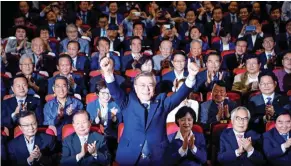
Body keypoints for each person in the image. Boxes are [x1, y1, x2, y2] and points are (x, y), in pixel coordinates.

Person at [100, 53, 200, 165]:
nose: (146, 89)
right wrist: (108, 73)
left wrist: (191, 76)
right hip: (130, 157)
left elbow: (179, 95)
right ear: (135, 88)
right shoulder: (127, 102)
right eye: (142, 85)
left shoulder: (162, 102)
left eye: (150, 85)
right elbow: (115, 91)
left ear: (154, 87)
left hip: (158, 156)